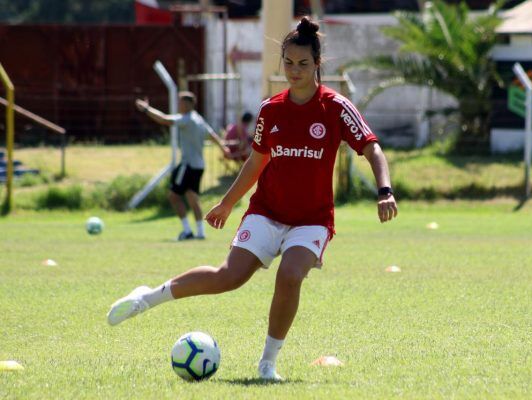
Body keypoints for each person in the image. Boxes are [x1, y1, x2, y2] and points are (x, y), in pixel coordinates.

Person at [110, 17, 398, 381]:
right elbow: (255, 162)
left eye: (303, 64)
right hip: (266, 211)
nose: (294, 71)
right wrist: (228, 203)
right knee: (228, 277)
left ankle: (267, 364)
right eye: (289, 63)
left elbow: (372, 148)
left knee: (290, 275)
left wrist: (384, 190)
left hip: (311, 219)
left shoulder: (336, 107)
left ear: (317, 64)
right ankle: (147, 298)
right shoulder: (271, 110)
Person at [135, 92, 230, 241]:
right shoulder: (198, 119)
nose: (178, 105)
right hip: (199, 165)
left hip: (188, 165)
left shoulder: (187, 119)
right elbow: (212, 134)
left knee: (173, 196)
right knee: (193, 197)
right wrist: (223, 147)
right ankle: (200, 232)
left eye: (180, 102)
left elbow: (165, 120)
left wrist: (146, 109)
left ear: (187, 104)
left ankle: (187, 231)